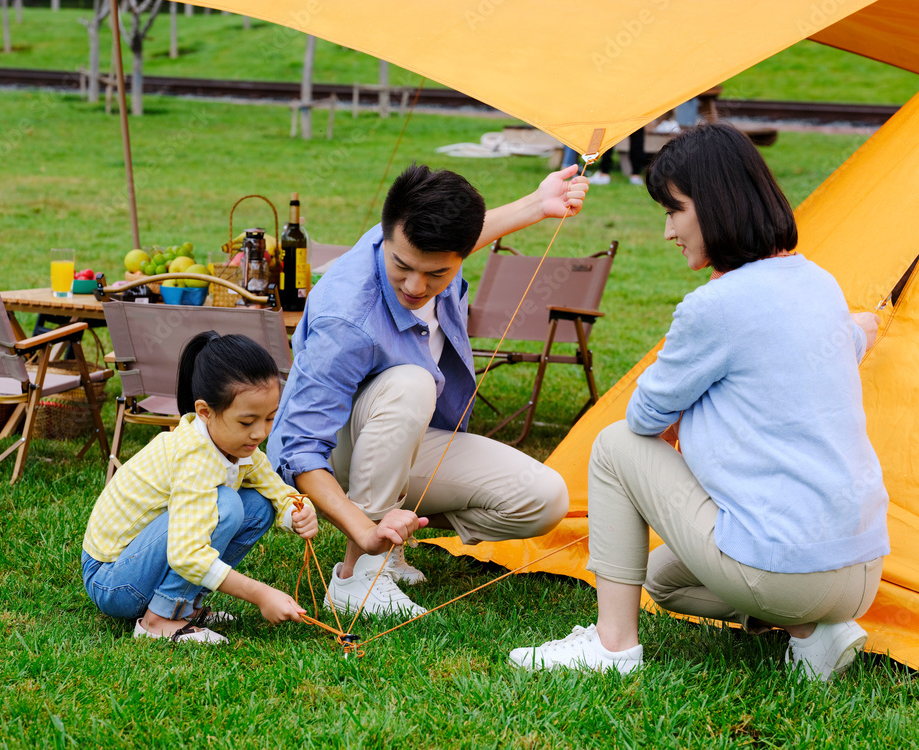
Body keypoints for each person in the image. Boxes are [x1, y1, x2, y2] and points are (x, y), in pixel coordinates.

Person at [509, 123, 889, 681]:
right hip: (861, 569)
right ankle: (816, 630)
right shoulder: (819, 283)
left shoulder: (714, 307)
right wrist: (864, 325)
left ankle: (613, 648)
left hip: (791, 571)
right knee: (664, 581)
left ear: (716, 205)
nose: (668, 231)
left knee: (615, 445)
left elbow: (643, 417)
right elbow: (847, 339)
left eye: (674, 211)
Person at [267, 164, 587, 618]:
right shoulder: (346, 317)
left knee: (544, 499)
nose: (416, 286)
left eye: (436, 274)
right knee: (411, 384)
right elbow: (298, 448)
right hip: (334, 451)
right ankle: (359, 574)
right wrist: (361, 527)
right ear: (386, 236)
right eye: (401, 267)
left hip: (400, 439)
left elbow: (465, 236)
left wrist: (538, 205)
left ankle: (393, 532)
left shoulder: (424, 249)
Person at [81, 332, 318, 644]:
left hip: (136, 568)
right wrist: (261, 594)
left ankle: (185, 605)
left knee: (258, 505)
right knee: (227, 506)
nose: (260, 432)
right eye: (247, 422)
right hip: (112, 582)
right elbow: (187, 554)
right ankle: (159, 620)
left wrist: (295, 508)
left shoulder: (232, 444)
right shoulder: (195, 459)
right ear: (206, 412)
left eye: (270, 418)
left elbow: (271, 485)